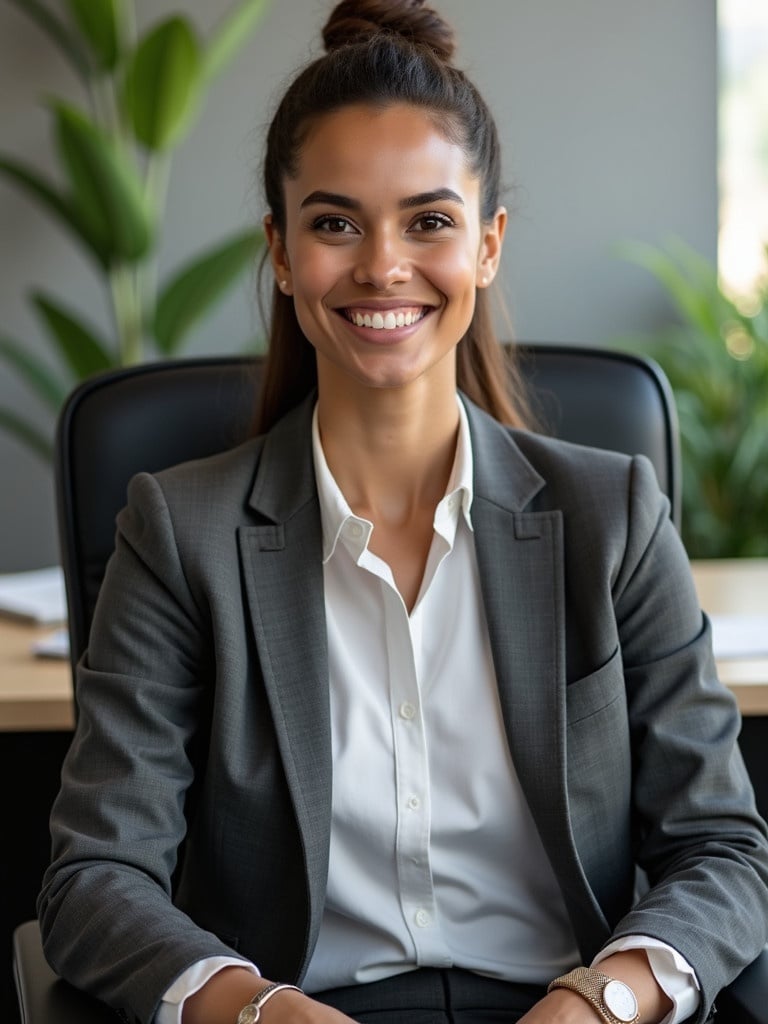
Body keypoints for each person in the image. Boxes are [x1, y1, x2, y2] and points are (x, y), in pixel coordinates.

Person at [38, 2, 768, 1023]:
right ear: (283, 252)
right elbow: (95, 880)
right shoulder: (179, 531)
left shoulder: (612, 515)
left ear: (488, 245)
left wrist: (601, 1001)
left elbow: (723, 850)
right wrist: (257, 1009)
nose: (383, 265)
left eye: (430, 221)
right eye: (335, 223)